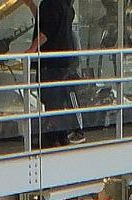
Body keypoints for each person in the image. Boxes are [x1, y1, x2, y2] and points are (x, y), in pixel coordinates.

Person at [25, 0, 85, 146]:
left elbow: (47, 31)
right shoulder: (65, 5)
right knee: (57, 99)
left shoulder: (50, 3)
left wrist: (31, 50)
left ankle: (53, 136)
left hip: (50, 62)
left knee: (51, 99)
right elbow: (48, 21)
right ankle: (59, 135)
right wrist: (32, 6)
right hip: (63, 61)